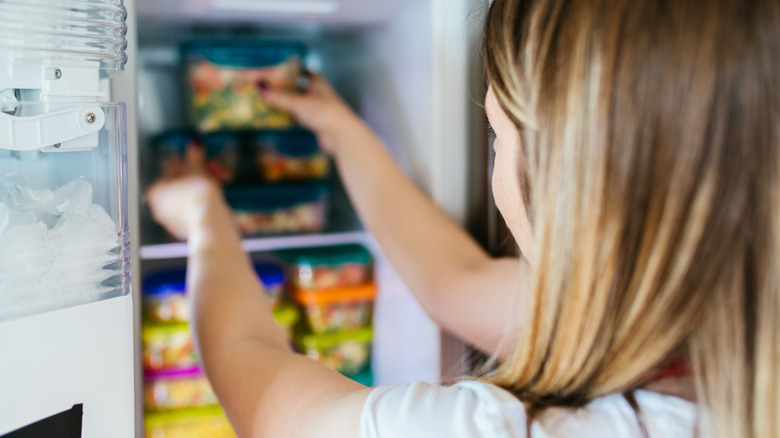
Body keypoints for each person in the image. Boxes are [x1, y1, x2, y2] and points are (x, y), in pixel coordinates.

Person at [147, 0, 780, 436]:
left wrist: (206, 219)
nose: (494, 155)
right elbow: (454, 279)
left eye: (496, 135)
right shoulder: (716, 338)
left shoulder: (498, 428)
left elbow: (253, 377)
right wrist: (340, 130)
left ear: (565, 184)